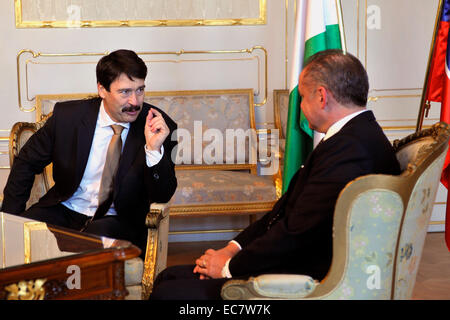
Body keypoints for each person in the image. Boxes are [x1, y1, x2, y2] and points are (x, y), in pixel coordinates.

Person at [149, 49, 401, 300]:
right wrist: (230, 249)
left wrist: (227, 269)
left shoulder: (350, 148)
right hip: (294, 260)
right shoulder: (354, 138)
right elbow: (284, 212)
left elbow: (295, 233)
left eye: (302, 97)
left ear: (322, 97)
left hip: (307, 280)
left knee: (169, 293)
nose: (300, 107)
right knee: (168, 277)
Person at [1, 49, 177, 255]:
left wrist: (153, 150)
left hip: (118, 219)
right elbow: (27, 162)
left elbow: (163, 194)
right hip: (66, 208)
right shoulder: (68, 117)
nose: (135, 102)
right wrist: (10, 220)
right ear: (102, 90)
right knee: (22, 236)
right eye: (125, 92)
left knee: (87, 247)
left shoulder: (159, 126)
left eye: (140, 90)